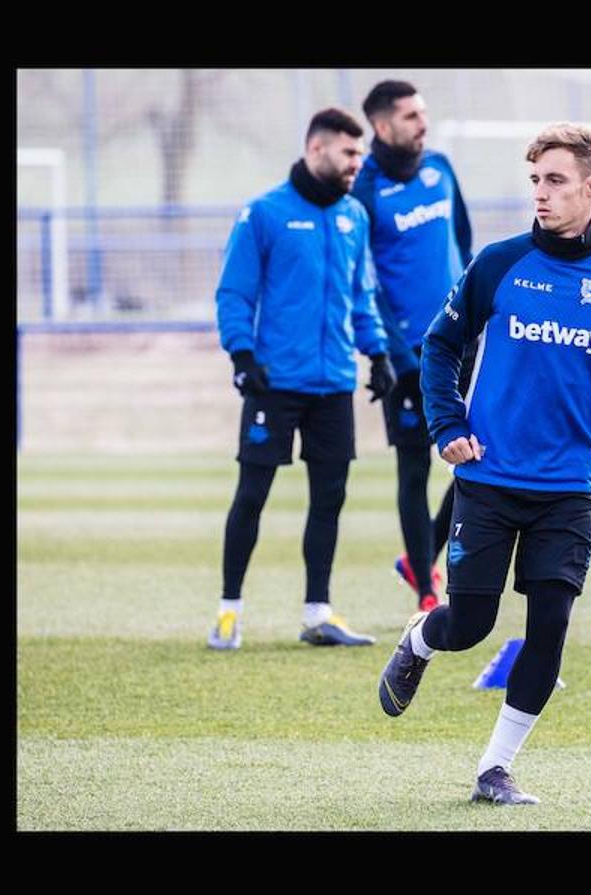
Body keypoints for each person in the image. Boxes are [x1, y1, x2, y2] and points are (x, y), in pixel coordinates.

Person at [375, 123, 591, 805]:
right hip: (486, 479)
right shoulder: (498, 263)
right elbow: (440, 346)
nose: (541, 194)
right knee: (469, 624)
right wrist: (447, 425)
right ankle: (420, 641)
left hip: (569, 488)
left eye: (556, 181)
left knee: (550, 627)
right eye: (536, 181)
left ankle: (494, 769)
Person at [207, 107, 396, 650]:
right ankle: (229, 611)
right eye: (348, 152)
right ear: (317, 150)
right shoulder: (264, 213)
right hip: (275, 382)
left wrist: (377, 352)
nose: (357, 162)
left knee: (330, 498)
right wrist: (242, 354)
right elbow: (235, 293)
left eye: (360, 153)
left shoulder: (353, 217)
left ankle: (318, 613)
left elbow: (360, 295)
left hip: (334, 383)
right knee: (253, 494)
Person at [352, 80, 476, 613]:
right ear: (383, 127)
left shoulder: (441, 169)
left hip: (462, 342)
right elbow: (363, 279)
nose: (422, 124)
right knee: (414, 469)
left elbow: (464, 245)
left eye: (423, 113)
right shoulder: (364, 190)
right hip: (408, 353)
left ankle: (420, 556)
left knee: (475, 454)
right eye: (410, 116)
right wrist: (392, 351)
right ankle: (427, 589)